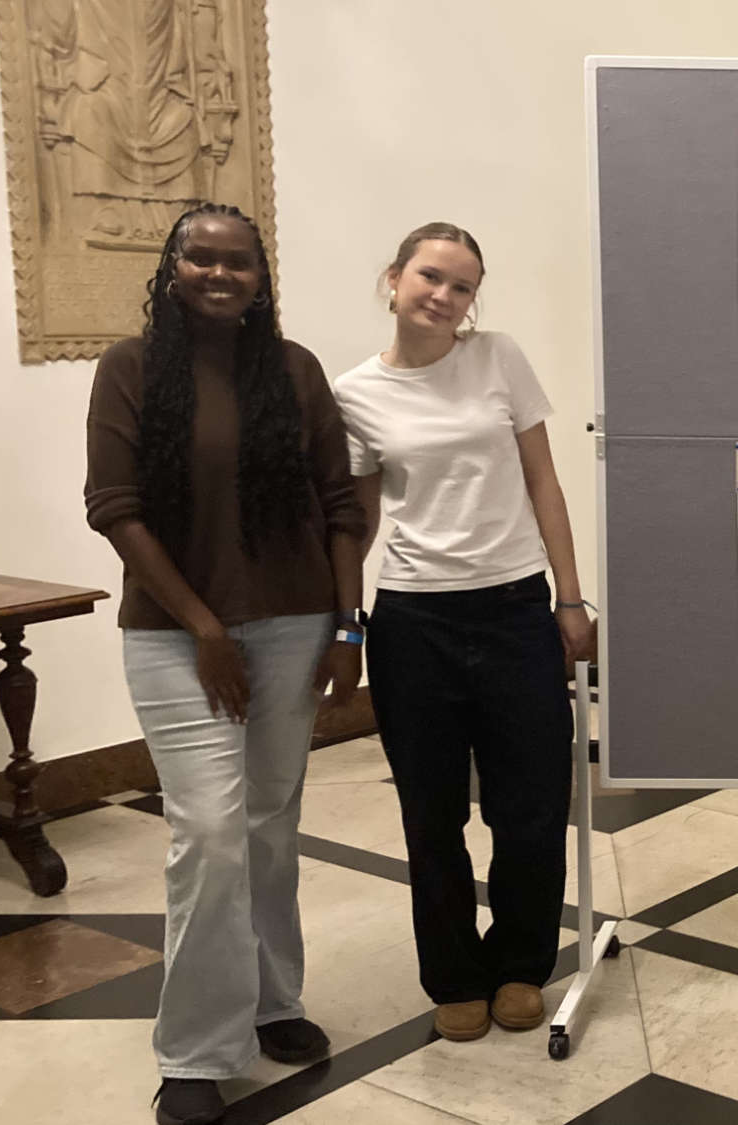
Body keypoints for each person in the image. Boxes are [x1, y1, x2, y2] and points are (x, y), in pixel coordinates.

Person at [85, 203, 366, 1125]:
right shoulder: (129, 370)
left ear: (260, 275)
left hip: (294, 626)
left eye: (237, 261)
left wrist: (348, 627)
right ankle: (197, 1051)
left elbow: (341, 505)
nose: (218, 273)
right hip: (173, 634)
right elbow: (115, 508)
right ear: (171, 268)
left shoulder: (294, 370)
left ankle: (272, 997)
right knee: (207, 832)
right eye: (199, 258)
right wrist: (205, 626)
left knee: (269, 825)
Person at [334, 222, 591, 1045]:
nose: (444, 296)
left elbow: (544, 480)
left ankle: (520, 964)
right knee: (431, 813)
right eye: (431, 277)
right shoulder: (355, 392)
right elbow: (361, 518)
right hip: (414, 620)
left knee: (531, 802)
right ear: (394, 278)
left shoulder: (498, 358)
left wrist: (570, 598)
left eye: (463, 285)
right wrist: (341, 618)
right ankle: (452, 974)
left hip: (516, 607)